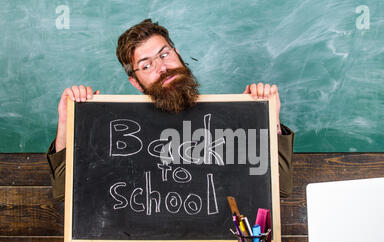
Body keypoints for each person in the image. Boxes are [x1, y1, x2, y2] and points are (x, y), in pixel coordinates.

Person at [46, 19, 294, 200]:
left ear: (178, 54)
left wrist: (267, 119)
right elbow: (64, 193)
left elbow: (280, 188)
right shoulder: (116, 130)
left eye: (164, 54)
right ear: (135, 82)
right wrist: (67, 124)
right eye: (146, 65)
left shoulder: (232, 118)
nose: (162, 68)